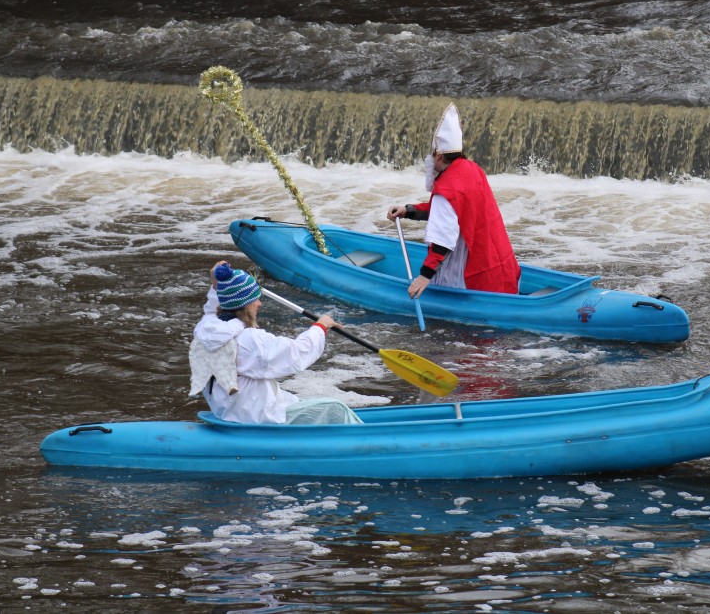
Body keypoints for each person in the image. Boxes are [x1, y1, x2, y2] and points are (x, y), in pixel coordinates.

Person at [188, 261, 362, 425]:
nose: (259, 303)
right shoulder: (250, 340)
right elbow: (297, 353)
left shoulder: (206, 330)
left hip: (227, 411)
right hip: (256, 416)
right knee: (335, 408)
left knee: (297, 400)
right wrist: (320, 327)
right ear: (245, 304)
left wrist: (216, 286)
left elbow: (213, 311)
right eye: (255, 299)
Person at [386, 103, 520, 298]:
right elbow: (451, 210)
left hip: (468, 269)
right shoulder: (472, 169)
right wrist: (409, 211)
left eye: (433, 154)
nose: (431, 159)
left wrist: (424, 276)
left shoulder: (447, 188)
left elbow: (443, 240)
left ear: (440, 155)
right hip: (497, 261)